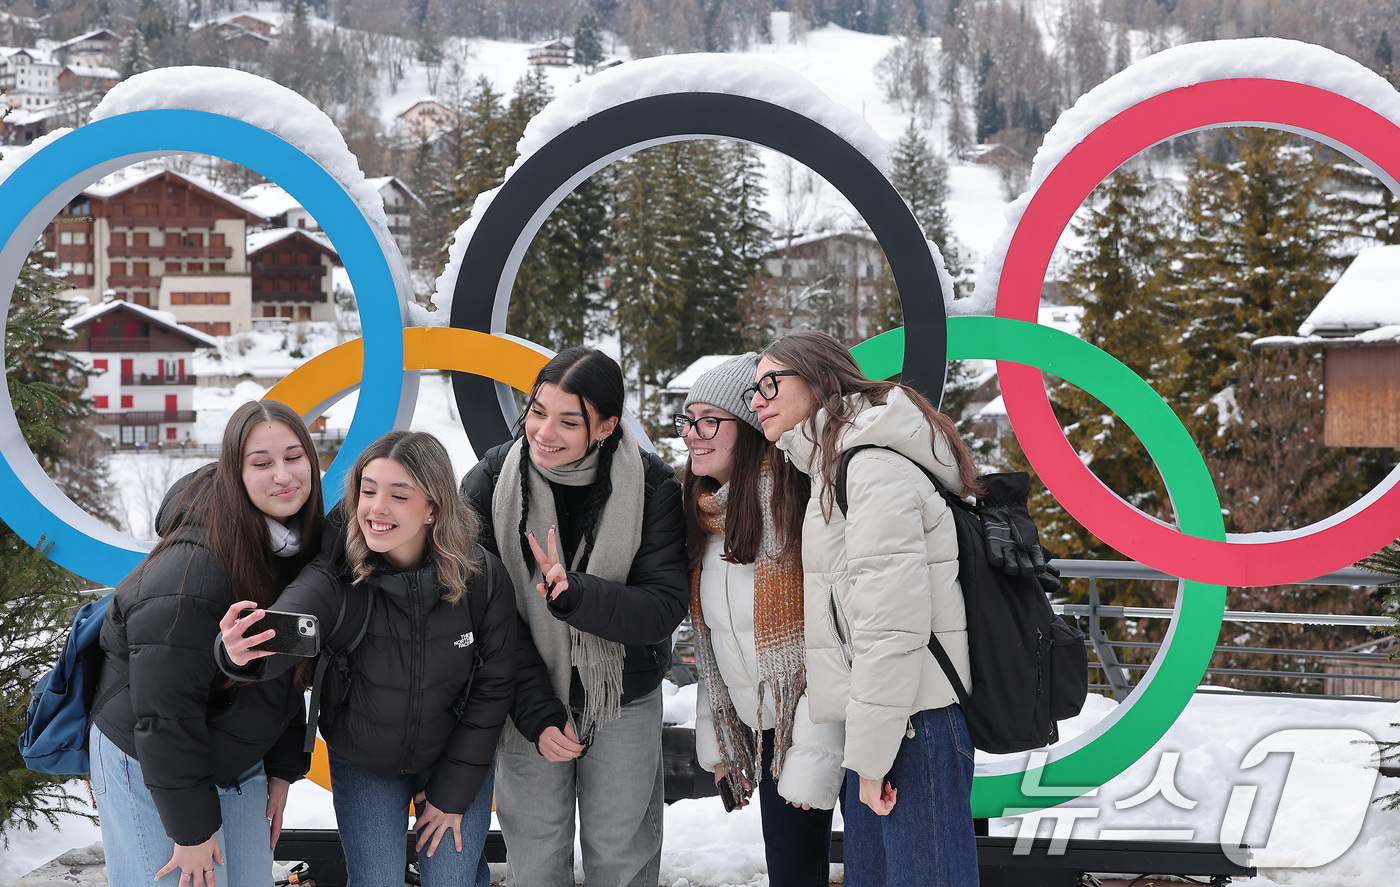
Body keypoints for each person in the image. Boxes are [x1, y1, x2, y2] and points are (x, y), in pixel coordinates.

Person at [218, 430, 517, 887]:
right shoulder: (339, 573)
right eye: (368, 490)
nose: (377, 508)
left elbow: (494, 685)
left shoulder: (483, 578)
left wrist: (454, 791)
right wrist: (241, 653)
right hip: (364, 756)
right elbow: (293, 620)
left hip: (453, 750)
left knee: (452, 878)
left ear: (433, 508)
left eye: (399, 495)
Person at [750, 330, 982, 887]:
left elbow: (890, 630)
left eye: (769, 384)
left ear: (820, 380)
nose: (755, 401)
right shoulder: (837, 470)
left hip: (912, 725)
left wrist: (872, 759)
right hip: (891, 721)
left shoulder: (871, 470)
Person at [459, 346, 687, 887]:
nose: (544, 432)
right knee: (535, 860)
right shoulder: (492, 481)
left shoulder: (652, 487)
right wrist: (536, 709)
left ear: (607, 426)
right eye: (538, 411)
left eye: (568, 420)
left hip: (621, 696)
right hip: (523, 695)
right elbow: (478, 608)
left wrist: (577, 596)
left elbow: (661, 609)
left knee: (622, 858)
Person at [90, 400, 322, 887]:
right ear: (233, 474)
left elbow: (279, 673)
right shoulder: (190, 575)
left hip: (229, 747)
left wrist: (281, 768)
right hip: (148, 755)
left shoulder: (291, 546)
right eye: (261, 464)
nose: (283, 475)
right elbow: (162, 712)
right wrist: (191, 831)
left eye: (294, 456)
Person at [679, 353, 843, 887]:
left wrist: (809, 760)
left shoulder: (797, 506)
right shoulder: (706, 515)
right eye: (687, 421)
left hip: (811, 727)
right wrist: (723, 743)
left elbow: (822, 643)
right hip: (765, 729)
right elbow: (713, 645)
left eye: (709, 420)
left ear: (747, 428)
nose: (692, 435)